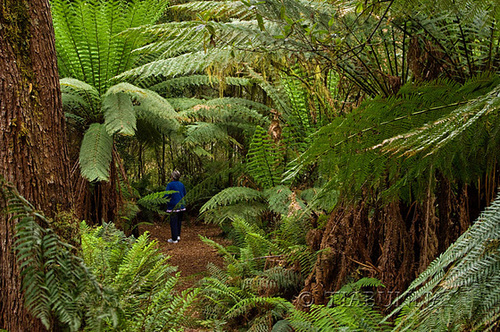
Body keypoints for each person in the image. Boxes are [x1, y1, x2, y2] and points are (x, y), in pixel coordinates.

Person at [164, 170, 186, 243]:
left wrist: (162, 199)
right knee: (179, 221)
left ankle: (174, 239)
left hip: (173, 206)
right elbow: (185, 194)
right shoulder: (181, 184)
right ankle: (178, 236)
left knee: (173, 222)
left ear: (172, 177)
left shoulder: (170, 185)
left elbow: (167, 195)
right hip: (181, 205)